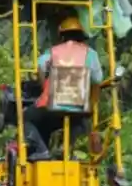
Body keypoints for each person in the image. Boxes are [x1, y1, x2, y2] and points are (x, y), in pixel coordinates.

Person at [25, 14, 105, 156]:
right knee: (79, 121)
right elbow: (97, 80)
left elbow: (39, 67)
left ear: (62, 36)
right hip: (79, 108)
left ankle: (42, 151)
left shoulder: (52, 52)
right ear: (81, 36)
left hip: (54, 107)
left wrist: (45, 87)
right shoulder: (90, 54)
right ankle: (67, 148)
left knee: (27, 117)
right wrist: (92, 105)